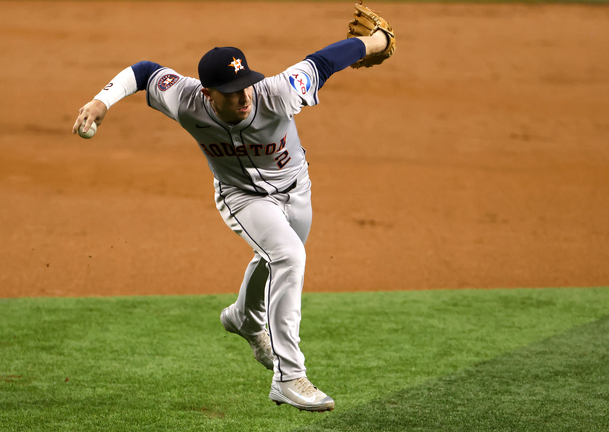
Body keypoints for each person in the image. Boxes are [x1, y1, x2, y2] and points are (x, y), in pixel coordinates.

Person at [72, 30, 389, 412]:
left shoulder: (280, 91)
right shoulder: (186, 98)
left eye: (246, 86)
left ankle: (243, 317)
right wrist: (101, 100)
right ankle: (289, 377)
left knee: (277, 256)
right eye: (232, 92)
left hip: (297, 189)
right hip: (241, 197)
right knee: (288, 256)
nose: (244, 96)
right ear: (208, 94)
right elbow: (144, 72)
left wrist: (376, 41)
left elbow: (324, 61)